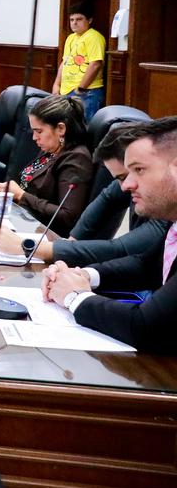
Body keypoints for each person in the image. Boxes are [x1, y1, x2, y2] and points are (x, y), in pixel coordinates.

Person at [40, 117, 177, 353]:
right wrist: (81, 275)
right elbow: (145, 265)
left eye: (139, 170)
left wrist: (74, 296)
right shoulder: (172, 223)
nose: (126, 185)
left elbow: (146, 327)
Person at [0, 124, 169, 266]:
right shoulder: (47, 155)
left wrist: (27, 247)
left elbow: (120, 250)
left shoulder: (168, 214)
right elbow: (108, 197)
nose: (125, 186)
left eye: (139, 170)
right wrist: (73, 241)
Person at [0, 95, 94, 237]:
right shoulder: (52, 149)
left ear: (61, 129)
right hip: (24, 221)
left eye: (39, 131)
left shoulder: (76, 159)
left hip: (45, 236)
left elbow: (67, 215)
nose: (34, 138)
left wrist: (21, 195)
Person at [52, 3, 106, 121]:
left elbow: (96, 64)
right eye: (72, 20)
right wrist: (56, 84)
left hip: (87, 92)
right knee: (69, 127)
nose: (74, 23)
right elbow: (65, 62)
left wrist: (81, 89)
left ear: (89, 20)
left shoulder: (94, 37)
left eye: (79, 19)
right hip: (67, 91)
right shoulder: (71, 38)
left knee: (84, 129)